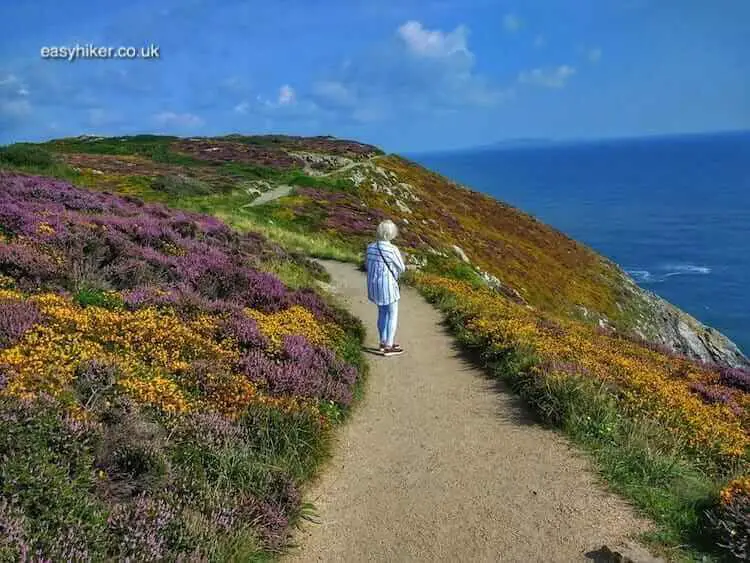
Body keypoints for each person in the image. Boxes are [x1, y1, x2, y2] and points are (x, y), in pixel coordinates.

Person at [365, 219, 406, 356]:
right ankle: (389, 346)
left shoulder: (370, 247)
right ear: (391, 233)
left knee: (382, 313)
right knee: (393, 313)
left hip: (374, 286)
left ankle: (383, 342)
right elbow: (401, 267)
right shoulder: (392, 249)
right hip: (388, 286)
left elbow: (367, 265)